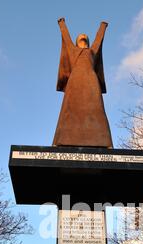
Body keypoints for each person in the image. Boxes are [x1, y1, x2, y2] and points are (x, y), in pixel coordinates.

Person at [53, 18, 113, 148]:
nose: (83, 35)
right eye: (81, 35)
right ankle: (60, 140)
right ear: (76, 42)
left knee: (97, 110)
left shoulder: (92, 51)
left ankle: (105, 142)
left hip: (91, 83)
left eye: (85, 35)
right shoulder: (73, 50)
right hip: (74, 83)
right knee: (68, 110)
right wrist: (62, 24)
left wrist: (103, 26)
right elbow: (66, 39)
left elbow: (98, 41)